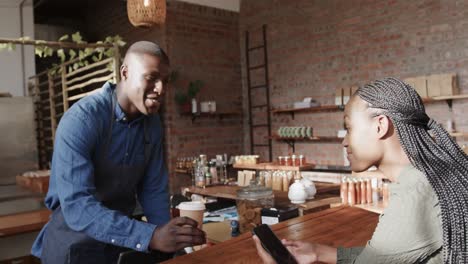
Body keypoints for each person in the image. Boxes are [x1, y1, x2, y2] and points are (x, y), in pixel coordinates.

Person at [254, 77, 468, 263]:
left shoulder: (415, 195)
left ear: (380, 126)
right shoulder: (432, 176)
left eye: (349, 128)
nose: (344, 142)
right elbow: (387, 255)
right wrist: (318, 252)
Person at [31, 41, 206, 263]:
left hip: (120, 244)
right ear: (125, 72)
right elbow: (78, 206)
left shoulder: (151, 125)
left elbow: (153, 190)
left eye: (165, 80)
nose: (161, 89)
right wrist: (151, 236)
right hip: (73, 245)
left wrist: (169, 241)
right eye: (151, 77)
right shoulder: (81, 120)